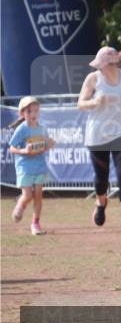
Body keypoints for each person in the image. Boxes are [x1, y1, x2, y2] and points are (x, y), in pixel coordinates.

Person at [78, 46, 121, 232]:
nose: (101, 67)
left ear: (111, 63)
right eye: (100, 64)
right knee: (102, 178)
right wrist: (94, 102)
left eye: (104, 64)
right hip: (97, 134)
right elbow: (80, 103)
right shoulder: (93, 79)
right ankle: (101, 204)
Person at [8, 96, 56, 236]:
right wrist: (24, 151)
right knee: (28, 195)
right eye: (29, 111)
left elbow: (45, 146)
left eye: (35, 111)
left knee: (38, 195)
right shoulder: (22, 129)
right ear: (22, 114)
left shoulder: (42, 129)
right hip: (25, 167)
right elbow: (12, 148)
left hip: (39, 167)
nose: (33, 114)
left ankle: (35, 224)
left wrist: (50, 145)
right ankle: (21, 204)